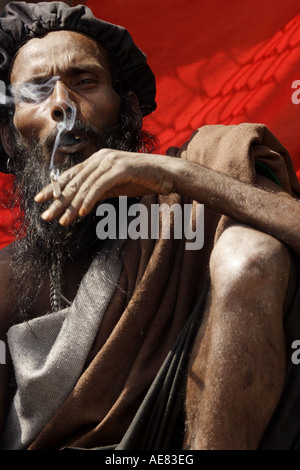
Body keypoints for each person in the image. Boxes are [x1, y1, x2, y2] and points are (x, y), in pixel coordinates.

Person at [0, 1, 300, 451]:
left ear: (131, 112)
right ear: (9, 137)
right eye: (38, 91)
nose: (62, 104)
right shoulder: (7, 276)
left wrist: (176, 176)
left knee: (250, 252)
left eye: (85, 81)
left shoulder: (200, 178)